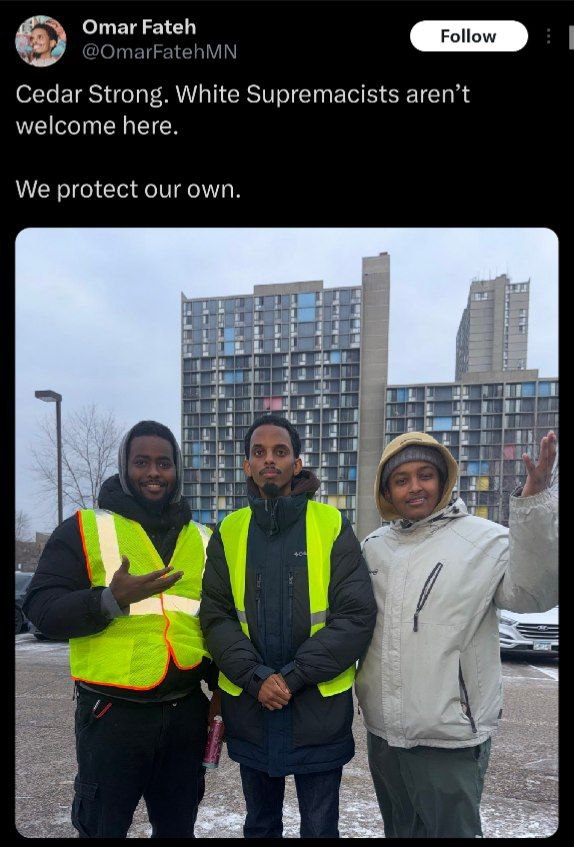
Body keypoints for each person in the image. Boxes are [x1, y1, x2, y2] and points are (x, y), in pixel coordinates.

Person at [355, 430, 558, 838]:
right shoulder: (374, 547)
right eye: (401, 479)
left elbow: (532, 594)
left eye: (425, 475)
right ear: (387, 491)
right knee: (399, 831)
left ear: (443, 479)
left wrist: (534, 502)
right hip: (384, 734)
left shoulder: (485, 540)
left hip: (450, 734)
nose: (415, 487)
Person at [23, 421, 220, 838]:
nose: (153, 472)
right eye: (141, 462)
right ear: (124, 467)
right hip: (111, 716)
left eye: (164, 463)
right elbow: (41, 607)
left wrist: (221, 692)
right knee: (102, 829)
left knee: (178, 829)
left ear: (177, 470)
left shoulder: (204, 538)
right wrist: (107, 600)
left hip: (185, 712)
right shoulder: (84, 528)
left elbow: (216, 622)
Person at [199, 414, 377, 838]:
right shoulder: (229, 530)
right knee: (261, 825)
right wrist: (256, 677)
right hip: (253, 709)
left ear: (297, 463)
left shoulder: (330, 524)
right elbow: (216, 616)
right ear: (247, 465)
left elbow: (355, 616)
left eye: (280, 451)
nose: (269, 460)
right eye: (259, 452)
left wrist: (290, 677)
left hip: (318, 713)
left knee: (319, 828)